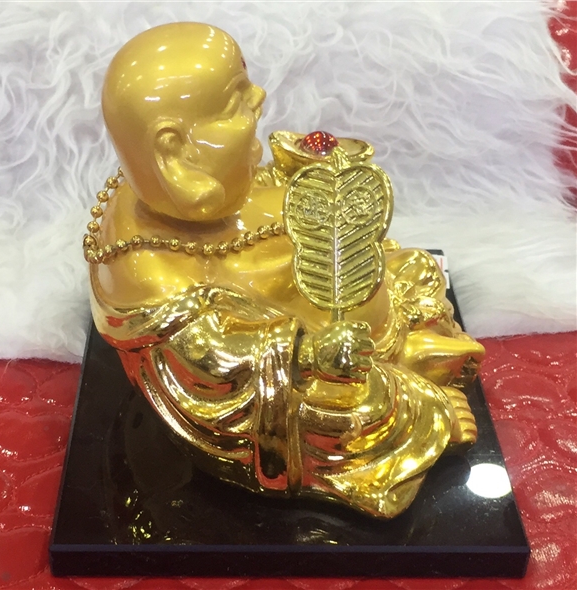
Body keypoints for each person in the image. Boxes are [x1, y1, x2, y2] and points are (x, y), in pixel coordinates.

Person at [87, 22, 485, 518]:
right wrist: (310, 354)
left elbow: (267, 195)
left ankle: (419, 346)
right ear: (174, 153)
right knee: (362, 409)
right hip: (306, 373)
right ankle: (426, 405)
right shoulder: (146, 268)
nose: (259, 98)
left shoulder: (215, 182)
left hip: (337, 304)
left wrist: (298, 173)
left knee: (417, 267)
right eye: (235, 101)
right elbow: (215, 359)